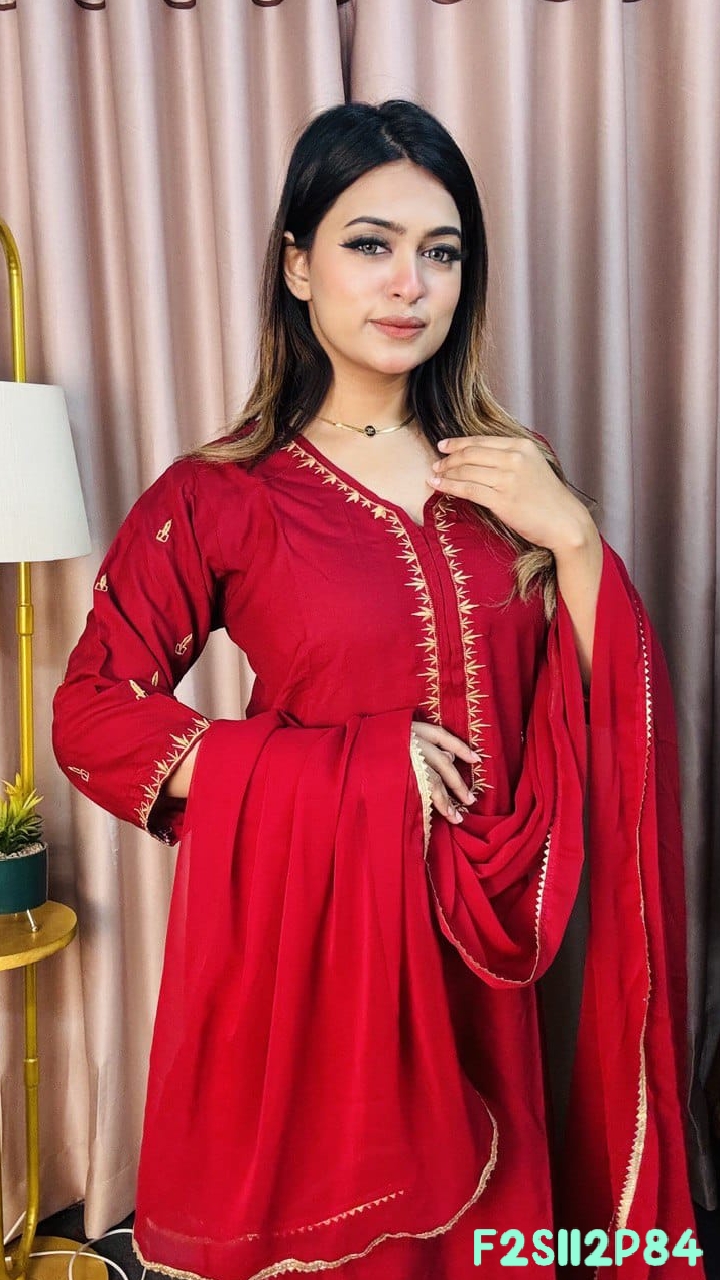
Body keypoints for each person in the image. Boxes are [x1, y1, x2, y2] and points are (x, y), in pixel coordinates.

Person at [52, 100, 699, 1280]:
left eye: (441, 251)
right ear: (297, 265)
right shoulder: (222, 493)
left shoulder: (510, 473)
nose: (410, 283)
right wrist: (347, 767)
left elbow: (600, 710)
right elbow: (92, 713)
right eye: (370, 243)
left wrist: (574, 541)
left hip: (505, 941)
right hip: (326, 941)